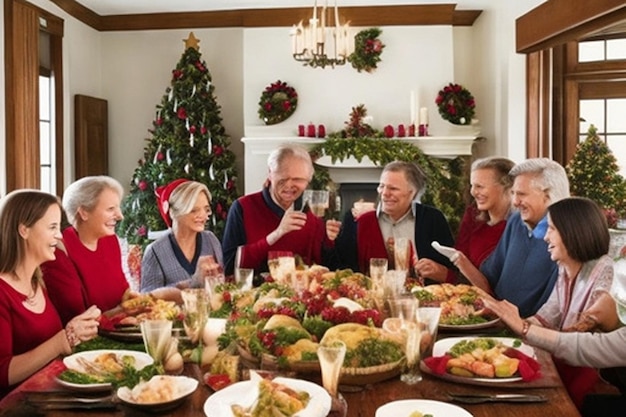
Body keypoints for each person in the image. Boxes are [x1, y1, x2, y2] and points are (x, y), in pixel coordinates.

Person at [481, 258, 626, 417]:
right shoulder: (567, 271)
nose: (545, 236)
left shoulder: (605, 268)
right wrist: (518, 325)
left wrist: (524, 328)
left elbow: (583, 347)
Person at [0, 190, 100, 396]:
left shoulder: (38, 282)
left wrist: (77, 330)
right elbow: (2, 373)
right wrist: (63, 341)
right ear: (24, 230)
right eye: (52, 227)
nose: (60, 235)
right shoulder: (2, 292)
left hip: (52, 392)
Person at [455, 158, 570, 317]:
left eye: (522, 194)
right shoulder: (517, 222)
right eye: (514, 193)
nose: (515, 202)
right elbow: (491, 276)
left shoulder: (566, 238)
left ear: (548, 195)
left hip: (529, 330)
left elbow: (554, 310)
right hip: (495, 320)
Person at [222, 144, 341, 278]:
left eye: (297, 179)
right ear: (270, 174)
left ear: (308, 180)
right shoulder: (242, 207)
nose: (289, 185)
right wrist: (276, 234)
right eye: (283, 178)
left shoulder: (315, 212)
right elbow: (229, 267)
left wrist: (329, 242)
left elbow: (328, 270)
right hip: (255, 294)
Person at [336, 160, 455, 283]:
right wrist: (329, 238)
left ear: (412, 193)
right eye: (382, 186)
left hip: (422, 298)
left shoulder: (433, 219)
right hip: (369, 298)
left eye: (393, 188)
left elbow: (452, 270)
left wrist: (440, 272)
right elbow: (340, 267)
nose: (385, 193)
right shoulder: (358, 219)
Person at [140, 180, 223, 293]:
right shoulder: (155, 251)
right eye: (194, 210)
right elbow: (148, 300)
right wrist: (194, 282)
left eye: (206, 209)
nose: (203, 215)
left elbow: (221, 287)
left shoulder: (211, 240)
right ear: (173, 213)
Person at [443, 156, 514, 282]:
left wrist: (443, 274)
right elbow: (458, 266)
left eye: (480, 186)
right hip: (465, 292)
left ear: (507, 187)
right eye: (472, 185)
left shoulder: (517, 227)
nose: (473, 192)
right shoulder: (473, 215)